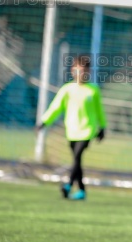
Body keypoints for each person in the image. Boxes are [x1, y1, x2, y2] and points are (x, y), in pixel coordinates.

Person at [36, 54, 106, 200]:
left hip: (88, 130)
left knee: (77, 157)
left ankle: (68, 185)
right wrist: (44, 122)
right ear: (73, 71)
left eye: (85, 71)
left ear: (89, 72)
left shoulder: (93, 90)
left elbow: (99, 110)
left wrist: (102, 128)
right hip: (72, 131)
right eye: (79, 70)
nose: (82, 74)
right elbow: (55, 107)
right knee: (77, 161)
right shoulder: (67, 89)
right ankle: (81, 190)